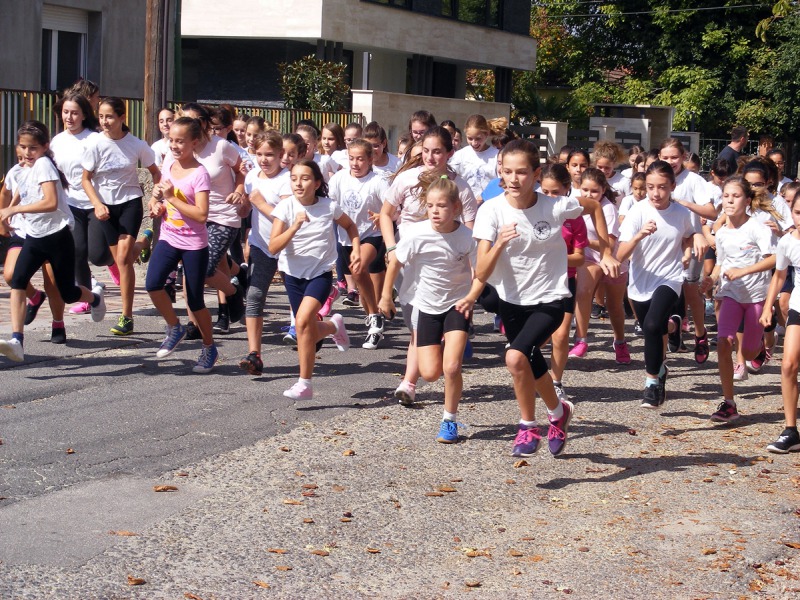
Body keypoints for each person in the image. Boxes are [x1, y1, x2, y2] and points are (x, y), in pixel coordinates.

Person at [472, 139, 619, 458]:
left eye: (522, 172)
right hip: (511, 299)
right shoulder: (491, 211)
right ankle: (558, 412)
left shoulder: (554, 206)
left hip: (551, 297)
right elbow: (482, 270)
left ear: (536, 174)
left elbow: (593, 207)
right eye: (507, 171)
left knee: (515, 357)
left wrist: (606, 250)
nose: (513, 179)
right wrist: (498, 244)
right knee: (529, 360)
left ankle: (527, 426)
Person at [379, 177, 483, 443]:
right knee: (430, 373)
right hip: (426, 305)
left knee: (451, 367)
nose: (436, 211)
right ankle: (446, 344)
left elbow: (479, 272)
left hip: (456, 304)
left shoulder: (467, 237)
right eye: (431, 206)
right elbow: (394, 264)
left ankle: (449, 420)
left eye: (442, 206)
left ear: (456, 207)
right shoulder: (416, 233)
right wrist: (386, 296)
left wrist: (472, 297)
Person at [379, 126, 478, 405]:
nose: (431, 157)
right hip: (410, 254)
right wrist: (390, 246)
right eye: (426, 151)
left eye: (437, 152)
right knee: (416, 320)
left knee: (420, 324)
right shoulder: (407, 178)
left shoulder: (462, 187)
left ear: (450, 153)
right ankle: (432, 353)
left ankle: (409, 382)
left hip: (447, 263)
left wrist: (471, 271)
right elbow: (387, 215)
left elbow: (469, 229)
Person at [0, 121, 106, 362]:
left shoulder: (45, 165)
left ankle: (95, 297)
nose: (27, 152)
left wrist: (15, 208)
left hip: (57, 236)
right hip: (35, 237)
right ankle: (17, 340)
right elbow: (19, 191)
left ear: (45, 147)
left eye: (33, 148)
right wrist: (9, 212)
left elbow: (50, 203)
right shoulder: (22, 168)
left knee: (67, 293)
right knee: (17, 280)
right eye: (23, 147)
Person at [616, 161, 707, 408]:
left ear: (672, 187)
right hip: (639, 282)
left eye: (662, 188)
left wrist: (687, 251)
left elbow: (688, 235)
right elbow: (621, 255)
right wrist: (638, 236)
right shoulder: (638, 211)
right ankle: (671, 335)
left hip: (669, 277)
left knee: (653, 325)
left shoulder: (681, 213)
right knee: (651, 330)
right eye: (650, 187)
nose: (655, 193)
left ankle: (651, 382)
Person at [268, 159, 361, 400]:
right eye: (294, 178)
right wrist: (294, 226)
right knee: (304, 328)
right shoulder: (286, 208)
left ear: (317, 182)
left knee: (301, 321)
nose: (298, 183)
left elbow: (350, 226)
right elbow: (273, 246)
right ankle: (333, 326)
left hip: (320, 273)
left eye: (305, 178)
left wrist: (357, 249)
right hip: (292, 274)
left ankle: (304, 383)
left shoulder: (329, 207)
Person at [81, 97, 160, 336]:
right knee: (115, 260)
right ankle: (145, 241)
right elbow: (85, 179)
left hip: (130, 203)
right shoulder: (95, 144)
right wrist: (96, 204)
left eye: (110, 117)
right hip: (105, 208)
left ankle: (126, 317)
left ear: (122, 118)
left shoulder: (136, 145)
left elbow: (156, 173)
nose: (104, 122)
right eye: (101, 116)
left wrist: (155, 199)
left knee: (124, 259)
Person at [700, 176, 776, 422]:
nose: (730, 200)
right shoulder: (721, 233)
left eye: (736, 196)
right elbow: (721, 263)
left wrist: (744, 271)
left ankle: (760, 350)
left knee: (749, 351)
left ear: (747, 200)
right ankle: (729, 403)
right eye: (726, 196)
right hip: (730, 293)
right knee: (724, 342)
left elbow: (773, 259)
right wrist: (710, 279)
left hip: (755, 297)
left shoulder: (757, 228)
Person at [145, 117, 218, 373]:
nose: (174, 146)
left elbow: (201, 215)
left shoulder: (200, 174)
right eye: (172, 140)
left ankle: (209, 347)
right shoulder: (168, 163)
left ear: (194, 143)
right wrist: (156, 205)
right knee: (152, 284)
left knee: (195, 301)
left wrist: (170, 199)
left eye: (180, 141)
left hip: (194, 243)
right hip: (168, 236)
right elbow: (159, 194)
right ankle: (174, 326)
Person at [177, 103, 246, 337]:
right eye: (184, 120)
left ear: (205, 123)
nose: (188, 126)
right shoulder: (180, 148)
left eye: (194, 121)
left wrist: (239, 190)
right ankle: (193, 322)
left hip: (223, 217)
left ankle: (234, 290)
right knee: (189, 271)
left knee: (204, 270)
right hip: (193, 217)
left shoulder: (221, 147)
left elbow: (242, 170)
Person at [50, 93, 114, 324]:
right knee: (77, 252)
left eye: (75, 112)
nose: (69, 117)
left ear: (84, 115)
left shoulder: (94, 139)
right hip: (71, 204)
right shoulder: (57, 141)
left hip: (96, 202)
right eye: (66, 112)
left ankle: (115, 256)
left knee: (96, 255)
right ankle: (90, 297)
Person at [328, 139, 390, 349]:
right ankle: (374, 317)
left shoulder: (378, 182)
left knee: (358, 264)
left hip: (373, 234)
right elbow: (330, 206)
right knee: (361, 284)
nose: (355, 163)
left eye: (360, 159)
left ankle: (375, 318)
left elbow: (393, 208)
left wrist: (383, 214)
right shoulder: (338, 179)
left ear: (371, 159)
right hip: (346, 237)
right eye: (351, 158)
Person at [659, 138, 717, 362]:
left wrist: (685, 204)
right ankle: (664, 344)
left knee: (690, 288)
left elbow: (711, 212)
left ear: (683, 157)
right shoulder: (656, 177)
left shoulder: (693, 180)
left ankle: (700, 332)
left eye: (674, 157)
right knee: (663, 291)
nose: (670, 161)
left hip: (692, 241)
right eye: (665, 157)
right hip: (664, 244)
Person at [239, 130, 292, 375]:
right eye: (259, 154)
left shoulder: (288, 179)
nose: (264, 159)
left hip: (289, 246)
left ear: (281, 155)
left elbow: (286, 217)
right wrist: (241, 203)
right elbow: (245, 212)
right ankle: (254, 354)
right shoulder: (251, 177)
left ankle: (315, 329)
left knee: (298, 301)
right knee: (255, 295)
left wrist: (259, 203)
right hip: (261, 245)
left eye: (270, 154)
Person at [569, 168, 630, 365]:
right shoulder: (575, 205)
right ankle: (581, 339)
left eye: (594, 191)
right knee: (583, 292)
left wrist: (582, 241)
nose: (588, 195)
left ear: (603, 190)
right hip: (589, 258)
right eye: (584, 190)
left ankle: (620, 341)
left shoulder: (608, 208)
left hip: (612, 259)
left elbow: (610, 246)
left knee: (614, 305)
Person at [539, 163, 588, 402]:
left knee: (560, 336)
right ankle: (535, 375)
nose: (549, 198)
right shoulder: (532, 212)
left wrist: (555, 255)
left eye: (555, 192)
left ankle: (556, 381)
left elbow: (579, 258)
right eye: (545, 192)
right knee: (539, 336)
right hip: (534, 281)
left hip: (564, 281)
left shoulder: (574, 217)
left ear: (567, 189)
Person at [760, 190, 800, 453]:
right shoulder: (787, 242)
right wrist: (767, 307)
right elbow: (779, 275)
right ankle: (790, 430)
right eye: (798, 213)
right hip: (799, 305)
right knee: (787, 365)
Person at [448, 114, 506, 202]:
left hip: (488, 203)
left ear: (486, 134)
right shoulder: (460, 155)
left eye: (478, 139)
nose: (474, 143)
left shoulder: (496, 156)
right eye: (470, 138)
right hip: (464, 204)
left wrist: (482, 199)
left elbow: (501, 182)